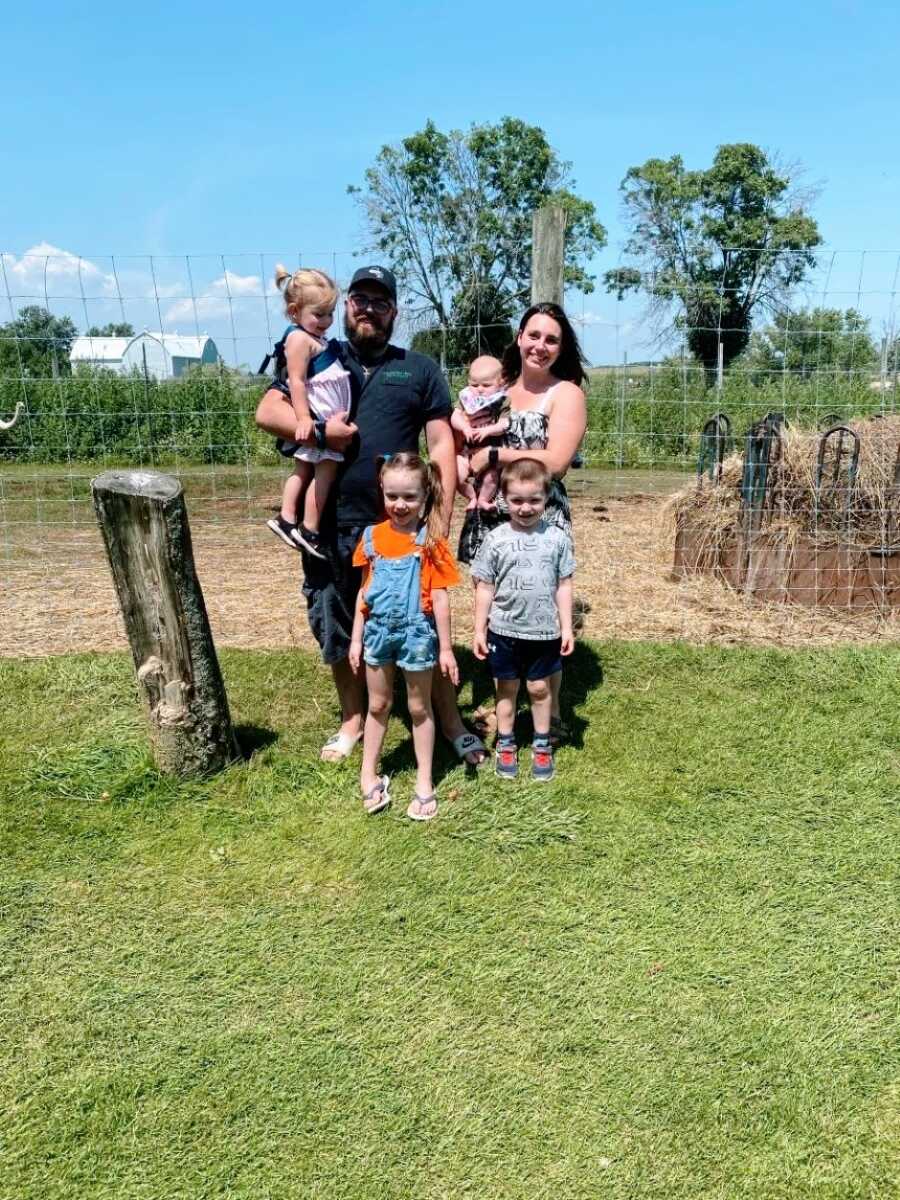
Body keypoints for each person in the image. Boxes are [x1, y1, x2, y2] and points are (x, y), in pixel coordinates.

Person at [255, 265, 487, 767]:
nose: (368, 309)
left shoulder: (419, 368)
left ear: (394, 313)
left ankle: (448, 721)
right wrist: (318, 433)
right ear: (345, 307)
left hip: (401, 528)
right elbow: (268, 411)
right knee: (335, 620)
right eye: (360, 299)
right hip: (330, 526)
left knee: (423, 620)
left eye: (380, 302)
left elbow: (442, 442)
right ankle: (353, 718)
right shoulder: (318, 353)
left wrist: (441, 523)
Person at [459, 302, 587, 746]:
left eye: (552, 339)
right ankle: (502, 702)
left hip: (542, 516)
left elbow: (556, 462)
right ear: (519, 338)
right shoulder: (497, 388)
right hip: (493, 515)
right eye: (534, 335)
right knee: (498, 605)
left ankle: (549, 714)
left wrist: (495, 455)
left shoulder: (565, 393)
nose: (541, 345)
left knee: (544, 610)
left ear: (562, 346)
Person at [348, 454, 460, 820]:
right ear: (382, 491)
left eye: (410, 497)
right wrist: (355, 639)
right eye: (392, 495)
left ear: (426, 496)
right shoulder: (371, 537)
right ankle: (368, 775)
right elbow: (365, 591)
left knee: (418, 707)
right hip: (378, 634)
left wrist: (446, 648)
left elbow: (441, 598)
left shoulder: (432, 543)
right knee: (378, 705)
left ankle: (424, 781)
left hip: (417, 636)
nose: (400, 505)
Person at [472, 459, 575, 782]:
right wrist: (479, 628)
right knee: (507, 689)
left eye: (534, 500)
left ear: (547, 499)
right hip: (503, 630)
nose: (526, 508)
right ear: (503, 499)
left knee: (540, 688)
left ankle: (541, 744)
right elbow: (484, 587)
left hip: (543, 631)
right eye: (517, 500)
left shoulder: (557, 538)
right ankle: (506, 742)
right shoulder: (496, 539)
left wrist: (567, 627)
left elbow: (564, 585)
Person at [264, 266, 351, 559]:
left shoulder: (316, 339)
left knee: (302, 469)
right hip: (320, 423)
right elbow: (297, 382)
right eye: (319, 314)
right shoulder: (299, 340)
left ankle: (287, 519)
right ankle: (309, 529)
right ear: (294, 311)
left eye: (330, 313)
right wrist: (304, 419)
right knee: (323, 472)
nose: (326, 321)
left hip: (325, 420)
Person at [450, 355, 509, 511]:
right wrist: (465, 427)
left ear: (500, 382)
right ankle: (472, 497)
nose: (480, 389)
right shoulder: (467, 398)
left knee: (492, 477)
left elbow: (505, 424)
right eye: (474, 384)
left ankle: (483, 499)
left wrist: (488, 430)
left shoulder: (502, 400)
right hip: (466, 452)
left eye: (486, 385)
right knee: (455, 472)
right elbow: (455, 416)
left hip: (490, 454)